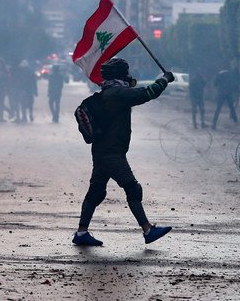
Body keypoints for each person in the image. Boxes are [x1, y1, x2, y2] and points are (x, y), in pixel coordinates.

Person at [72, 57, 175, 246]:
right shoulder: (118, 93)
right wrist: (164, 79)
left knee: (96, 192)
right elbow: (148, 93)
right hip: (112, 154)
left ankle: (81, 233)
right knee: (132, 188)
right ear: (120, 74)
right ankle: (148, 230)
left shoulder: (108, 92)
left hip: (102, 151)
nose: (129, 75)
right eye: (126, 72)